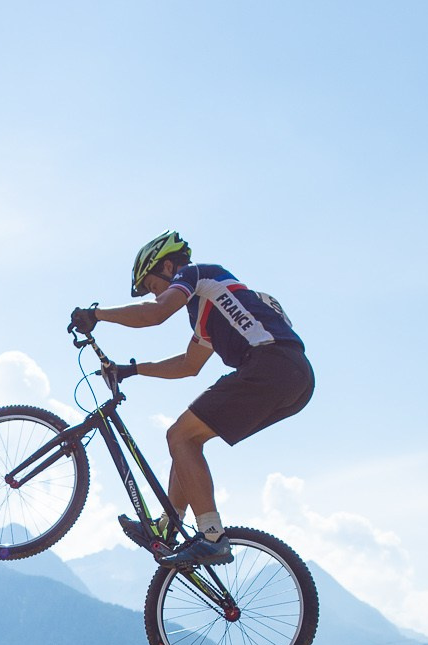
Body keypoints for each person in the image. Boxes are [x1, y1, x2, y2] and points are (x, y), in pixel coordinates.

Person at [71, 231, 313, 569]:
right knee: (186, 439)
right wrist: (132, 370)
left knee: (180, 436)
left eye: (154, 284)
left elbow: (155, 314)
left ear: (168, 266)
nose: (157, 293)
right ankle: (167, 527)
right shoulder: (208, 308)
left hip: (271, 365)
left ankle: (212, 537)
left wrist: (97, 315)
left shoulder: (199, 275)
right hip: (294, 378)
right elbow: (189, 365)